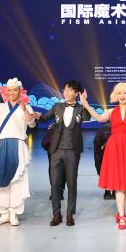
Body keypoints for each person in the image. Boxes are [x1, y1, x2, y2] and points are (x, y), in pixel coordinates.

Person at [82, 77, 126, 229]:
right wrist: (86, 104)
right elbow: (99, 118)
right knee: (120, 184)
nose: (122, 95)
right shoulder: (111, 111)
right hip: (115, 147)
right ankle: (121, 217)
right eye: (119, 93)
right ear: (115, 95)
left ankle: (122, 214)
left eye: (125, 93)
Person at [0, 78, 38, 226]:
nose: (11, 92)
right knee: (0, 179)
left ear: (20, 91)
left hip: (18, 145)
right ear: (6, 92)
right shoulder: (0, 107)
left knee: (17, 180)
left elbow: (31, 124)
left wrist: (24, 109)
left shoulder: (26, 107)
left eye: (15, 90)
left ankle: (14, 212)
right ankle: (3, 213)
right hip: (1, 145)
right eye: (9, 90)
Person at [38, 80, 90, 227]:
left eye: (69, 90)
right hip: (56, 151)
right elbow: (44, 118)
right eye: (64, 90)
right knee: (55, 183)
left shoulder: (80, 108)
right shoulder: (57, 106)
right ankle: (56, 214)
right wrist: (34, 114)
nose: (66, 92)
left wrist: (85, 103)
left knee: (72, 183)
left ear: (76, 93)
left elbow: (88, 117)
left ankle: (69, 214)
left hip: (72, 151)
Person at [93, 123, 114, 200]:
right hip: (101, 145)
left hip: (116, 144)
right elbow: (98, 161)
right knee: (103, 168)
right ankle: (107, 191)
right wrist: (100, 173)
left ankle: (115, 190)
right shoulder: (99, 139)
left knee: (116, 167)